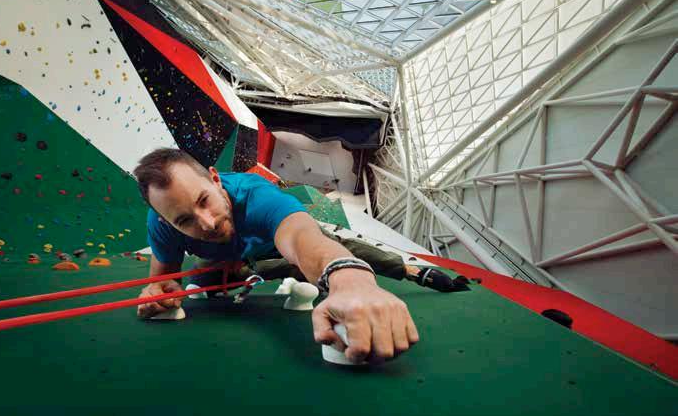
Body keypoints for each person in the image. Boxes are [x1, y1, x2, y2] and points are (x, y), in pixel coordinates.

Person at [133, 148, 467, 363]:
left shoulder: (257, 196)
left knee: (332, 249)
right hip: (233, 260)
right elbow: (164, 281)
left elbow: (301, 237)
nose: (207, 223)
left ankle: (411, 270)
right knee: (203, 281)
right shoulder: (161, 224)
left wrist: (350, 280)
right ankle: (281, 270)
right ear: (166, 221)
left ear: (216, 179)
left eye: (204, 200)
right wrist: (158, 294)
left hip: (275, 245)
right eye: (184, 220)